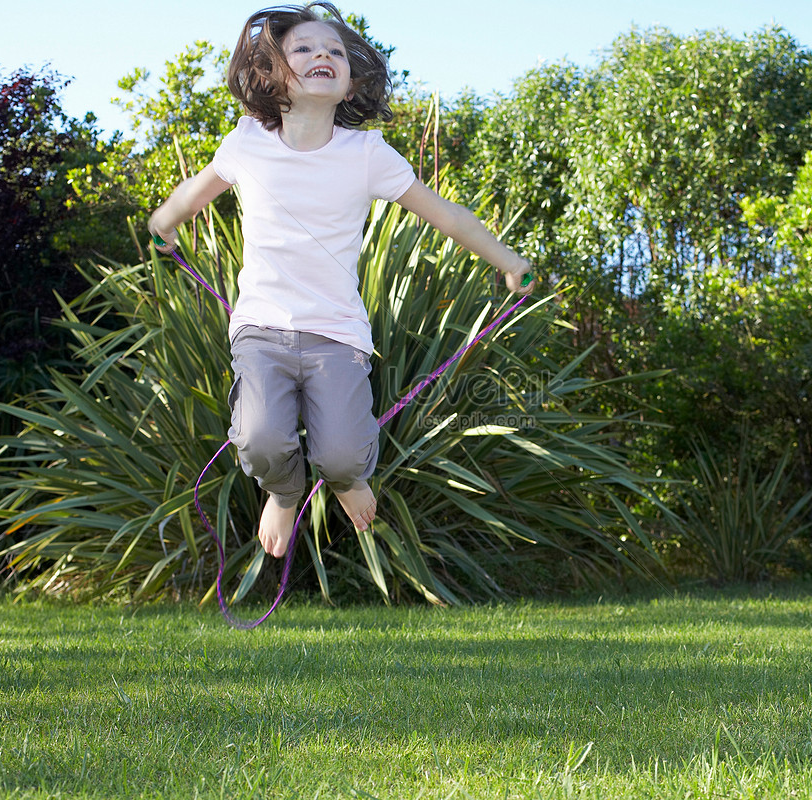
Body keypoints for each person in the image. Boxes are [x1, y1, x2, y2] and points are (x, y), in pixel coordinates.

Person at [148, 2, 533, 559]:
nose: (321, 56)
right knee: (258, 440)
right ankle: (284, 491)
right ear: (273, 75)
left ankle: (349, 482)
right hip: (260, 328)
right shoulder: (248, 142)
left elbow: (446, 214)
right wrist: (164, 223)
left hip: (338, 335)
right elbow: (192, 193)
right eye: (303, 49)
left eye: (334, 52)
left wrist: (506, 260)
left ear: (350, 85)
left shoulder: (367, 154)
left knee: (345, 455)